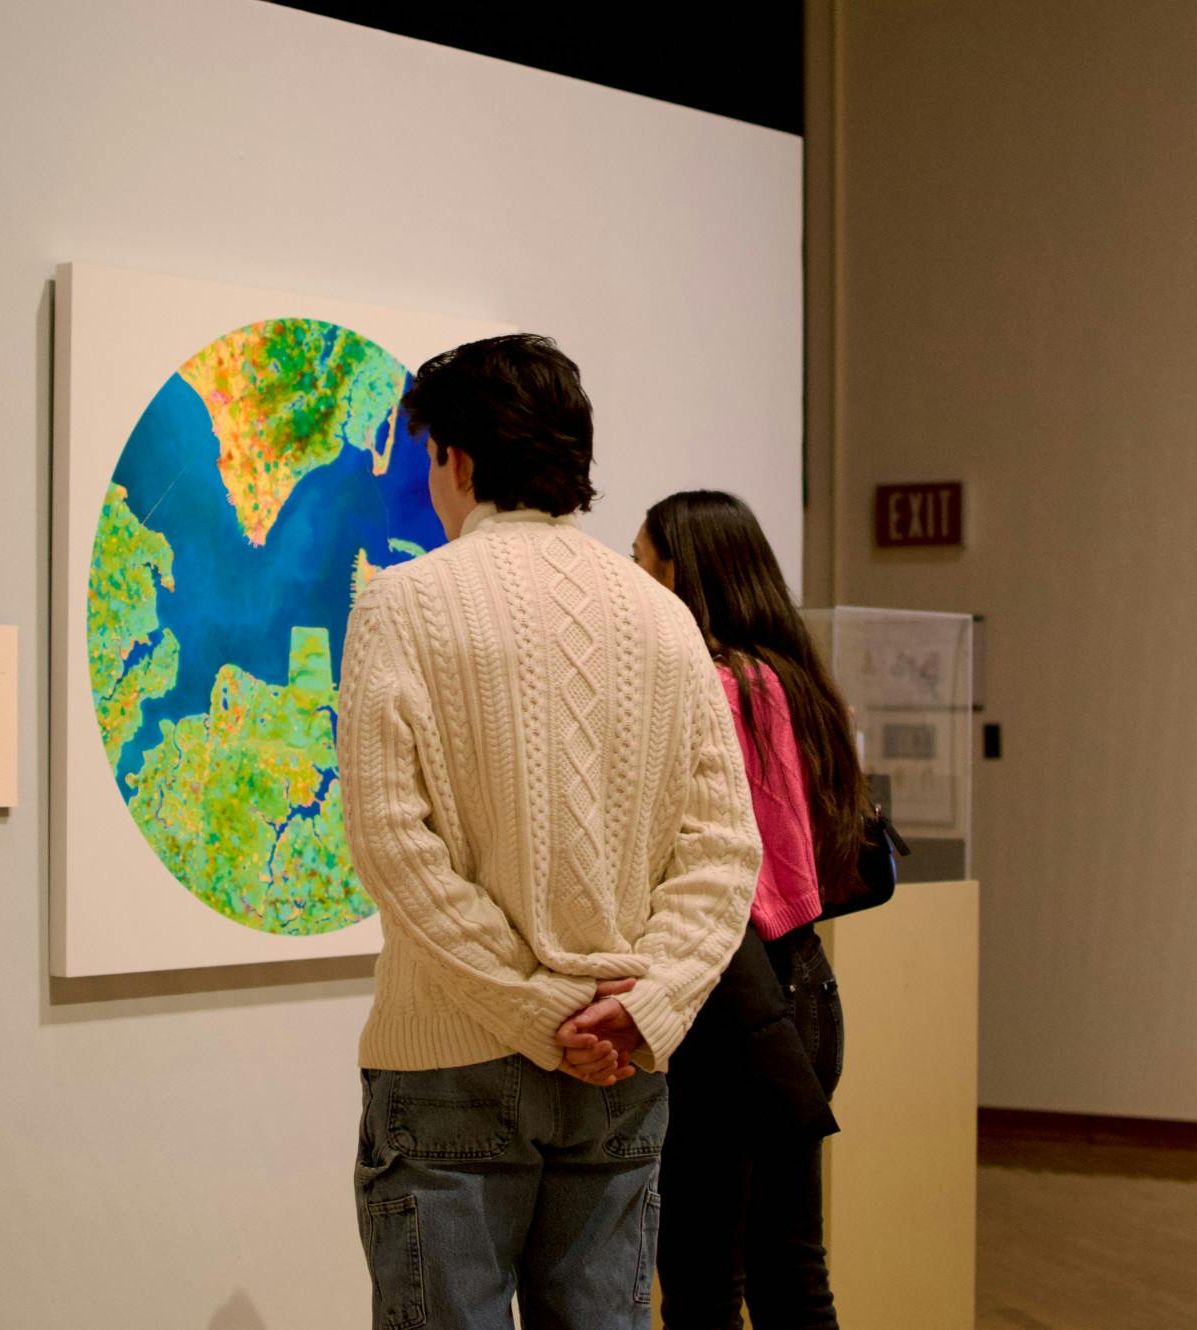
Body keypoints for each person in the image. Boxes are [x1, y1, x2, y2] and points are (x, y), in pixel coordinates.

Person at [337, 335, 763, 1330]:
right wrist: (637, 1006)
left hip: (447, 1059)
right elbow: (721, 854)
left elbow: (395, 850)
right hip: (618, 1066)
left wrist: (533, 1010)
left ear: (455, 455)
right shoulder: (664, 621)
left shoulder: (399, 604)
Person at [630, 489, 872, 1330]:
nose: (633, 585)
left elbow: (716, 873)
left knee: (701, 1279)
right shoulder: (794, 679)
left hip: (733, 993)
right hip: (802, 985)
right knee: (789, 1266)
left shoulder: (718, 683)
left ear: (685, 573)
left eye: (642, 564)